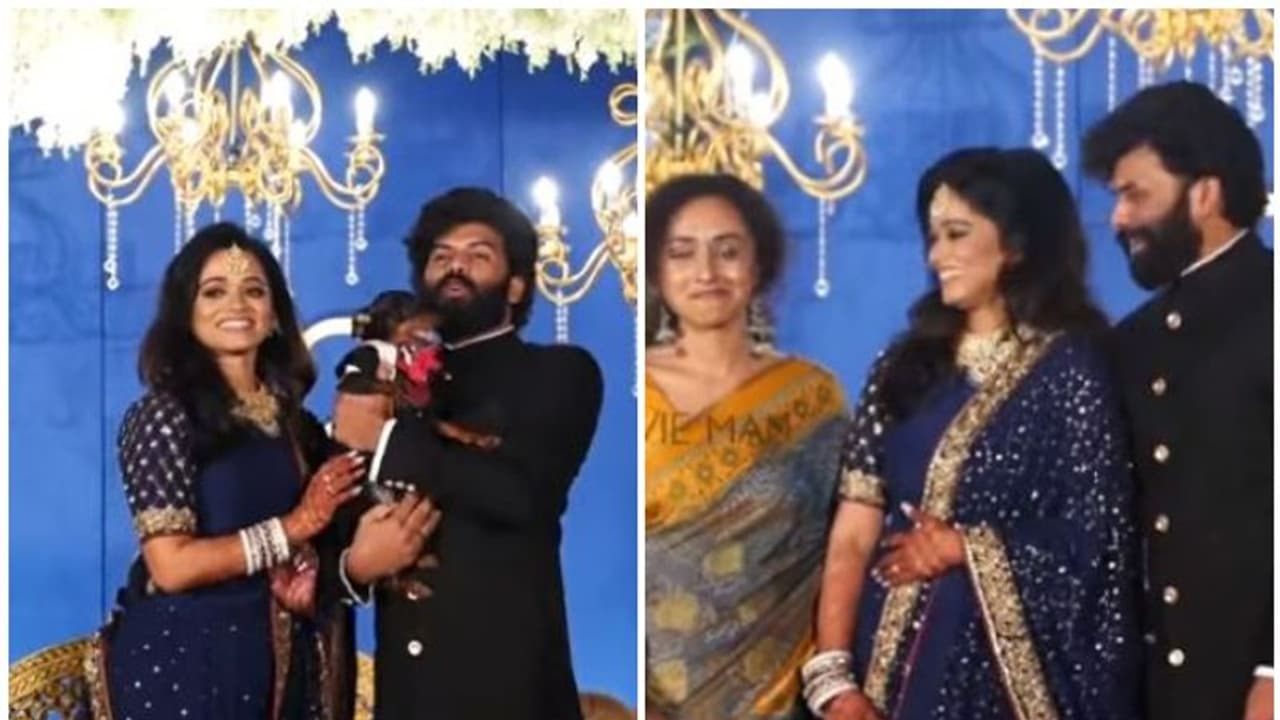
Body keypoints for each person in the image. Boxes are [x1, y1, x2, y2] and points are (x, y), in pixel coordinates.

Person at [808, 149, 1140, 720]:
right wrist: (834, 679)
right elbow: (854, 531)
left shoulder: (1073, 366)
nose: (937, 256)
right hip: (875, 676)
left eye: (957, 234)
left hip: (994, 686)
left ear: (1016, 244)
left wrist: (965, 547)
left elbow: (1098, 537)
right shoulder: (903, 367)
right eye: (932, 237)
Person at [86, 222, 391, 719]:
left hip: (281, 662)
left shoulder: (294, 426)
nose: (236, 305)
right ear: (186, 313)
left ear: (274, 316)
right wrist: (292, 529)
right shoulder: (164, 416)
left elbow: (337, 531)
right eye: (213, 292)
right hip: (187, 667)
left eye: (254, 291)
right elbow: (172, 566)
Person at [331, 187, 605, 719]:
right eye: (441, 257)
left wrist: (387, 439)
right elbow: (339, 521)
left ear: (516, 285)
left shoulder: (558, 372)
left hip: (511, 695)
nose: (455, 267)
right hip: (408, 698)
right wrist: (355, 565)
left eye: (478, 255)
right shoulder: (388, 384)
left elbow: (521, 495)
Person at [1083, 80, 1273, 720]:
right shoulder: (1135, 340)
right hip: (1163, 689)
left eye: (1136, 194)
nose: (1119, 219)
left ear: (1205, 193)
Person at [643, 173, 848, 720]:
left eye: (728, 251)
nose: (707, 272)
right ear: (657, 272)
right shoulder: (629, 391)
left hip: (785, 696)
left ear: (759, 266)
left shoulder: (810, 397)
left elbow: (845, 547)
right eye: (682, 253)